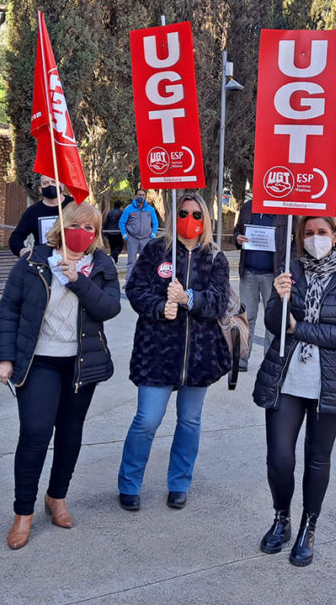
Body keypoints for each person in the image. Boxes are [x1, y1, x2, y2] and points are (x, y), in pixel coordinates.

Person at [0, 202, 121, 549]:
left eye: (92, 228)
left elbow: (109, 308)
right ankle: (23, 513)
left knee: (69, 434)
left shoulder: (102, 264)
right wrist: (4, 357)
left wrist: (77, 279)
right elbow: (9, 308)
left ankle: (57, 497)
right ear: (63, 226)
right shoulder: (33, 261)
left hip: (81, 364)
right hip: (39, 362)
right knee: (35, 433)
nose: (85, 233)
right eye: (78, 225)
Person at [252, 215, 336, 567]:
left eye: (322, 232)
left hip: (328, 384)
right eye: (309, 233)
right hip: (286, 378)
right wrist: (278, 296)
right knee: (279, 458)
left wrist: (300, 327)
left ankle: (308, 527)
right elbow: (274, 325)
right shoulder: (291, 271)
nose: (316, 238)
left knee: (318, 459)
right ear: (301, 238)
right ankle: (282, 517)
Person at [117, 192, 231, 512]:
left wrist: (188, 299)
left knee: (190, 422)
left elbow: (219, 302)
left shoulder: (215, 258)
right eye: (184, 213)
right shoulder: (156, 250)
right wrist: (158, 306)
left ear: (206, 219)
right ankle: (129, 483)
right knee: (147, 420)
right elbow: (135, 289)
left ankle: (179, 482)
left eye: (197, 215)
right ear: (174, 215)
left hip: (199, 358)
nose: (190, 220)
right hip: (157, 354)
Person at [233, 198, 292, 372]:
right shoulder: (248, 206)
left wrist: (287, 265)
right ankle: (242, 359)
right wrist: (238, 238)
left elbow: (297, 239)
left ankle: (270, 361)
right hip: (248, 272)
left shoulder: (284, 207)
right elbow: (237, 230)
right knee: (245, 318)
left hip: (273, 275)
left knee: (272, 320)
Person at [9, 175, 74, 258]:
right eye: (45, 183)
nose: (50, 185)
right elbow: (17, 236)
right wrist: (21, 250)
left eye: (54, 182)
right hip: (43, 261)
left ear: (62, 185)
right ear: (40, 189)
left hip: (73, 259)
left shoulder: (75, 206)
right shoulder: (33, 211)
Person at [118, 188, 159, 275]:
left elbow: (155, 222)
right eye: (139, 195)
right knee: (131, 261)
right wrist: (125, 236)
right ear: (135, 196)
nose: (141, 197)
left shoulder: (150, 209)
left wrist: (153, 234)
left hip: (146, 239)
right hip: (132, 239)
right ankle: (129, 281)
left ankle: (145, 280)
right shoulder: (128, 209)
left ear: (145, 197)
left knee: (146, 260)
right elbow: (122, 222)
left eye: (143, 195)